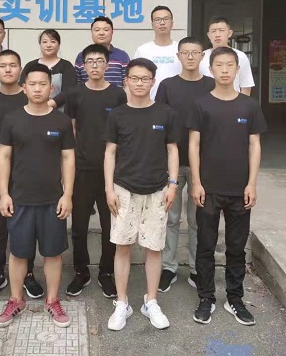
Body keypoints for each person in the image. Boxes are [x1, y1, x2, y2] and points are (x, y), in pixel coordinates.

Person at [188, 46, 267, 326]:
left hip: (239, 189)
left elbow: (255, 145)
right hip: (208, 188)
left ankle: (235, 298)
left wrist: (252, 183)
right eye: (219, 65)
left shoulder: (249, 106)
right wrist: (196, 182)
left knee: (236, 247)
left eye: (229, 65)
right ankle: (206, 298)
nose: (224, 70)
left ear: (237, 69)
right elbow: (193, 144)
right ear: (210, 69)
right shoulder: (201, 104)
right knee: (205, 246)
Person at [0, 64, 75, 329]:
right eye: (32, 84)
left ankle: (52, 301)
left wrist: (67, 194)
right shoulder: (12, 119)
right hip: (20, 199)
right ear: (24, 88)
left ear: (51, 88)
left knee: (53, 253)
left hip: (52, 199)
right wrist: (4, 194)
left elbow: (68, 159)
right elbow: (4, 158)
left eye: (43, 84)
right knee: (18, 253)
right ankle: (16, 300)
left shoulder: (61, 121)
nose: (38, 89)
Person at [104, 58, 179, 332]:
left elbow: (172, 149)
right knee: (122, 247)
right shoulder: (117, 114)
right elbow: (110, 152)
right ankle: (122, 303)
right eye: (134, 78)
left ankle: (151, 301)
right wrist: (109, 188)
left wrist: (173, 184)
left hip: (158, 189)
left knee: (154, 248)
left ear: (153, 81)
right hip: (124, 189)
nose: (139, 83)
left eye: (145, 78)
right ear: (126, 80)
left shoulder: (165, 113)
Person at [52, 44, 126, 299]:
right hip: (82, 169)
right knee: (79, 225)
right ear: (83, 66)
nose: (95, 65)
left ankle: (106, 272)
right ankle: (81, 271)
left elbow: (122, 132)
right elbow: (71, 131)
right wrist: (68, 171)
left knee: (110, 225)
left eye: (99, 61)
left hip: (111, 172)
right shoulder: (75, 94)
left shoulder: (118, 94)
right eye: (90, 61)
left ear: (107, 65)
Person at [0, 50, 44, 301]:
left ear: (20, 70)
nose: (8, 69)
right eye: (3, 65)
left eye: (13, 65)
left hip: (28, 176)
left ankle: (28, 274)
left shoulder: (31, 99)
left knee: (28, 229)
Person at [155, 36, 215, 293]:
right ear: (178, 56)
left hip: (203, 162)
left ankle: (195, 268)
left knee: (198, 219)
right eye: (185, 53)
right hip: (173, 162)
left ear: (202, 56)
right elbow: (158, 120)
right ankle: (168, 267)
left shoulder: (212, 85)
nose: (190, 57)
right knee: (170, 217)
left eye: (195, 52)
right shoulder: (167, 86)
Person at [133, 6, 181, 100]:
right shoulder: (142, 50)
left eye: (166, 19)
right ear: (152, 24)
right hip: (149, 102)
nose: (162, 23)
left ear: (172, 23)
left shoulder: (181, 49)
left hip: (177, 101)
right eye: (157, 19)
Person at [198, 17, 254, 95]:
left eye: (221, 30)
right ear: (208, 35)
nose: (217, 35)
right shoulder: (201, 57)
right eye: (213, 31)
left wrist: (240, 103)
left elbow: (246, 87)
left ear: (230, 33)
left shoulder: (240, 56)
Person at [74, 16, 130, 88]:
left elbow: (127, 84)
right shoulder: (81, 56)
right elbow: (77, 84)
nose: (101, 33)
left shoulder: (122, 56)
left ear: (112, 32)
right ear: (91, 33)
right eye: (97, 30)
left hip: (116, 95)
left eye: (106, 30)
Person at [20, 29, 76, 100]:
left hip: (60, 106)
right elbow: (22, 88)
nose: (48, 45)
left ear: (59, 44)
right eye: (44, 42)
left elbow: (69, 91)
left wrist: (51, 103)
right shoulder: (30, 65)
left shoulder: (66, 66)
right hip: (33, 105)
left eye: (53, 42)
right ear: (40, 44)